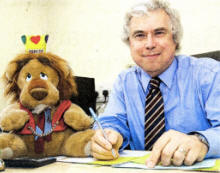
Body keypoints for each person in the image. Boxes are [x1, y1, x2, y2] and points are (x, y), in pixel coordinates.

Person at [91, 0, 220, 168]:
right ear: (130, 43)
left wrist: (202, 141)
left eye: (159, 33)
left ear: (175, 39)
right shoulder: (124, 81)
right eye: (139, 35)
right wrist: (108, 137)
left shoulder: (210, 74)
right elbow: (112, 122)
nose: (150, 44)